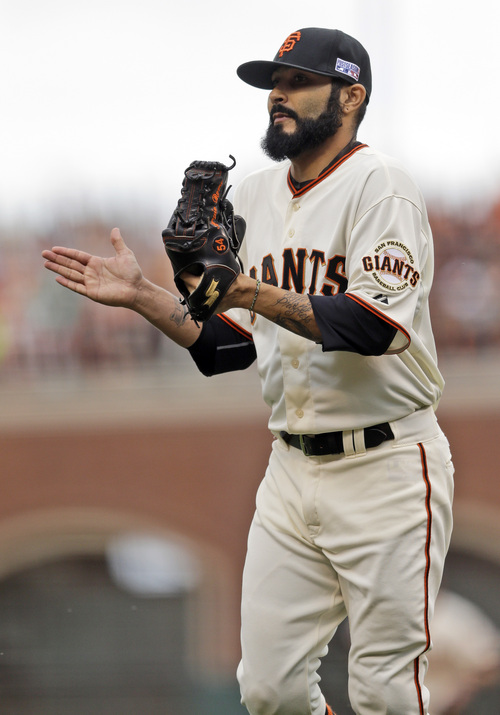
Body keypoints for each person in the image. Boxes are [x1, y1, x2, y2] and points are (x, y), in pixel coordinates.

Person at [42, 27, 454, 715]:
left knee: (385, 689)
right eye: (274, 83)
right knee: (269, 690)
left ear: (351, 96)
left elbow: (376, 326)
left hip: (387, 464)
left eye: (298, 81)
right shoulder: (255, 196)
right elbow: (228, 346)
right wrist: (145, 296)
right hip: (290, 467)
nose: (277, 95)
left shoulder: (382, 186)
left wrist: (245, 290)